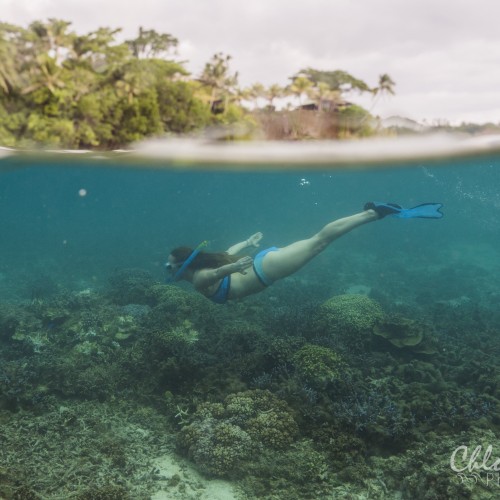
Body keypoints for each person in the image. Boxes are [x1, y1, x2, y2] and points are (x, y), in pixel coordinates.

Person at [165, 202, 443, 304]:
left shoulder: (199, 279)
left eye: (169, 266)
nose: (167, 269)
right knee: (317, 240)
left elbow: (216, 272)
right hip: (264, 261)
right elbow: (227, 253)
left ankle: (373, 213)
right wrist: (248, 243)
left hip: (266, 270)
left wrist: (232, 269)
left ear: (182, 267)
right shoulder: (202, 268)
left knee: (319, 241)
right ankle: (372, 212)